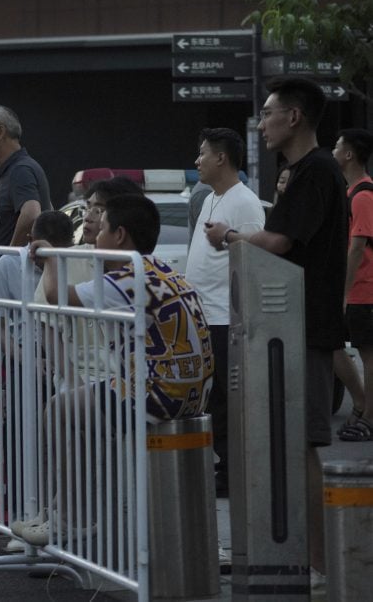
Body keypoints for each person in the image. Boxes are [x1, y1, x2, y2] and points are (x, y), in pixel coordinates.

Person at [205, 76, 346, 580]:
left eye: (267, 113)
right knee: (288, 441)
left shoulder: (316, 170)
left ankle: (323, 567)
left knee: (304, 443)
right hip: (288, 326)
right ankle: (300, 559)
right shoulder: (300, 172)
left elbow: (281, 243)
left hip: (303, 324)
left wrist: (230, 236)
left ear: (294, 117)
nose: (260, 123)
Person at [20, 194, 213, 545]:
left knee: (59, 410)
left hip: (158, 395)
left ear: (120, 234)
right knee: (81, 408)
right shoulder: (163, 269)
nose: (93, 236)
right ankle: (71, 513)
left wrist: (48, 259)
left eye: (102, 227)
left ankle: (69, 519)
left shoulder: (127, 276)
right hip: (191, 393)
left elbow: (55, 295)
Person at [184, 127, 265, 495]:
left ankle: (233, 472)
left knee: (225, 398)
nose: (197, 161)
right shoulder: (209, 199)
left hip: (225, 317)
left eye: (202, 154)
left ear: (221, 158)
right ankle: (223, 466)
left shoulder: (245, 201)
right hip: (203, 315)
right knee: (210, 397)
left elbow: (254, 257)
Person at [331, 128, 373, 440]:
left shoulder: (362, 195)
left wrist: (343, 292)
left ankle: (368, 418)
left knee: (369, 356)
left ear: (349, 155)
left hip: (364, 290)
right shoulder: (352, 193)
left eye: (337, 146)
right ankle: (363, 410)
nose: (333, 151)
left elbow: (357, 247)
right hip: (358, 289)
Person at [0, 105, 52, 247]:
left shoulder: (20, 169)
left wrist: (10, 255)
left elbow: (31, 214)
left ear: (0, 131)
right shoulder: (20, 167)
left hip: (10, 267)